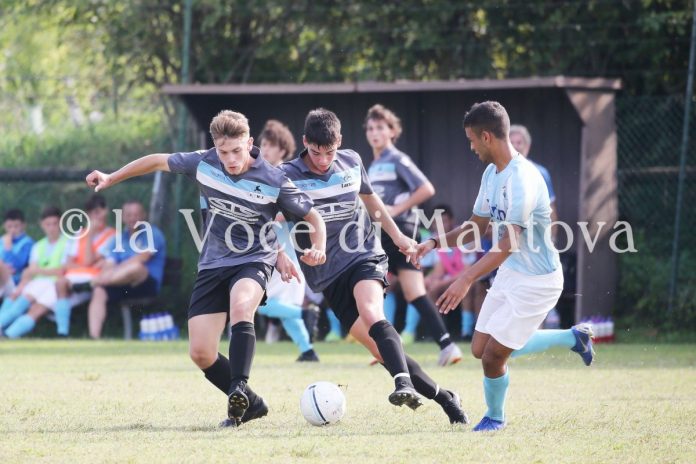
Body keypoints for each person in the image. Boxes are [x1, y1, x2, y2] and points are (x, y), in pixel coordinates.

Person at [85, 110, 326, 427]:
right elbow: (157, 160)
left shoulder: (274, 179)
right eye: (224, 152)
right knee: (200, 353)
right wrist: (111, 177)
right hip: (213, 264)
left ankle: (238, 390)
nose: (230, 159)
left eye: (237, 150)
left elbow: (313, 217)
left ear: (249, 143)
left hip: (254, 259)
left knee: (241, 306)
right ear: (215, 148)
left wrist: (317, 247)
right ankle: (251, 403)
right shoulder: (203, 162)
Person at [415, 101, 594, 432]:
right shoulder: (491, 174)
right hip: (511, 273)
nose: (471, 147)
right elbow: (476, 226)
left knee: (493, 357)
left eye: (471, 140)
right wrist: (434, 242)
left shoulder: (523, 178)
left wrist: (465, 278)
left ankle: (495, 417)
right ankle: (573, 338)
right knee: (479, 349)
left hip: (538, 280)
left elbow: (507, 243)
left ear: (486, 137)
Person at [280, 108, 468, 424]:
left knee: (371, 312)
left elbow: (372, 203)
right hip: (327, 275)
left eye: (330, 152)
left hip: (363, 254)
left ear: (340, 142)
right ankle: (446, 398)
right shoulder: (287, 174)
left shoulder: (352, 161)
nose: (323, 160)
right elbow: (268, 216)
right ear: (305, 143)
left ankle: (403, 383)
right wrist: (279, 252)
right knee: (381, 351)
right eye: (316, 152)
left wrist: (399, 238)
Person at [365, 104, 462, 364]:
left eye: (380, 128)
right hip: (389, 232)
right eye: (371, 128)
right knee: (413, 293)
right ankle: (447, 345)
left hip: (397, 231)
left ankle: (384, 347)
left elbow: (426, 188)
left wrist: (396, 209)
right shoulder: (374, 165)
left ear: (392, 131)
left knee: (369, 284)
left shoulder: (396, 159)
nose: (374, 133)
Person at [256, 119, 320, 362]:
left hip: (282, 249)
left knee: (257, 302)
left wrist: (266, 217)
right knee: (281, 306)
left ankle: (304, 315)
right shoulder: (262, 174)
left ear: (283, 150)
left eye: (270, 145)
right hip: (275, 248)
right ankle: (308, 351)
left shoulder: (284, 174)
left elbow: (299, 209)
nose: (265, 149)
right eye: (263, 144)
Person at [80, 200, 166, 339]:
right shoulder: (118, 238)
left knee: (136, 267)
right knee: (99, 291)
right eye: (129, 215)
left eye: (136, 214)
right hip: (121, 282)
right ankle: (94, 337)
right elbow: (109, 264)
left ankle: (95, 282)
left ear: (144, 215)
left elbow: (142, 258)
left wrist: (108, 275)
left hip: (145, 284)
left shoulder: (153, 234)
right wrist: (109, 271)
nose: (133, 218)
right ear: (123, 217)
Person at [509, 124, 561, 327]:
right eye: (512, 142)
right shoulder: (498, 172)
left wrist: (551, 238)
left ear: (527, 146)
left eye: (519, 142)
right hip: (508, 244)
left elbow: (551, 209)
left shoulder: (539, 172)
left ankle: (551, 323)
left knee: (534, 292)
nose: (516, 146)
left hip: (535, 242)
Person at [0, 206, 70, 338]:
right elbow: (30, 271)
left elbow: (62, 270)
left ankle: (9, 335)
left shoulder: (68, 243)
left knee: (35, 310)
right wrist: (23, 284)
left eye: (55, 224)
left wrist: (38, 270)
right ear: (42, 225)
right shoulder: (39, 246)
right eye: (48, 224)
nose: (51, 228)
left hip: (56, 284)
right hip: (38, 283)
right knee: (18, 305)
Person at [423, 204, 489, 341]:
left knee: (465, 289)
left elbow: (467, 270)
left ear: (451, 221)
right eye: (436, 223)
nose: (440, 226)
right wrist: (432, 280)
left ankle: (467, 332)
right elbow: (439, 270)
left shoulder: (463, 237)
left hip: (468, 277)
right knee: (430, 287)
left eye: (444, 221)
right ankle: (439, 333)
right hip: (452, 278)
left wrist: (443, 282)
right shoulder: (435, 240)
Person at [53, 194, 116, 336]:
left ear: (106, 211)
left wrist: (89, 235)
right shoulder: (78, 233)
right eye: (92, 213)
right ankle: (62, 332)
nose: (96, 217)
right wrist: (84, 265)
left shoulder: (112, 236)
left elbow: (88, 261)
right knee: (60, 283)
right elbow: (68, 263)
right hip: (75, 276)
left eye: (99, 212)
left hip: (93, 278)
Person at [0, 209, 34, 302]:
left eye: (16, 226)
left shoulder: (27, 243)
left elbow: (18, 266)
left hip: (14, 283)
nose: (12, 230)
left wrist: (8, 249)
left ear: (23, 225)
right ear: (4, 226)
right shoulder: (2, 241)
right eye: (9, 226)